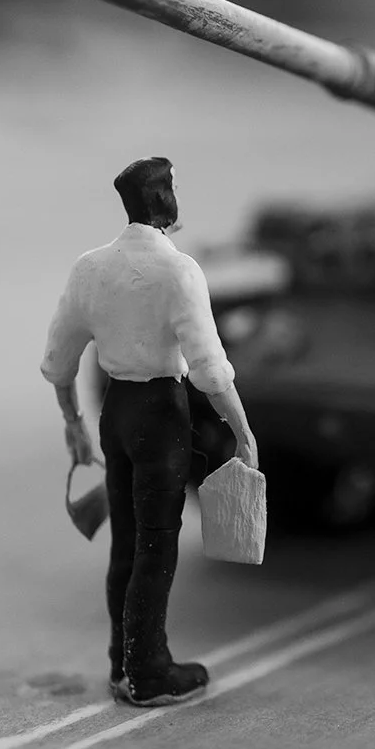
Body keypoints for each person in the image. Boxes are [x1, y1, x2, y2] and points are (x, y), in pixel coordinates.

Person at [42, 157, 258, 708]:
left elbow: (59, 359)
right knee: (157, 546)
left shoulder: (90, 267)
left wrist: (73, 422)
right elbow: (209, 368)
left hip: (116, 411)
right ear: (165, 200)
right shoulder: (178, 271)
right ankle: (149, 672)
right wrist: (242, 430)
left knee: (126, 542)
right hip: (161, 413)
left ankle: (122, 663)